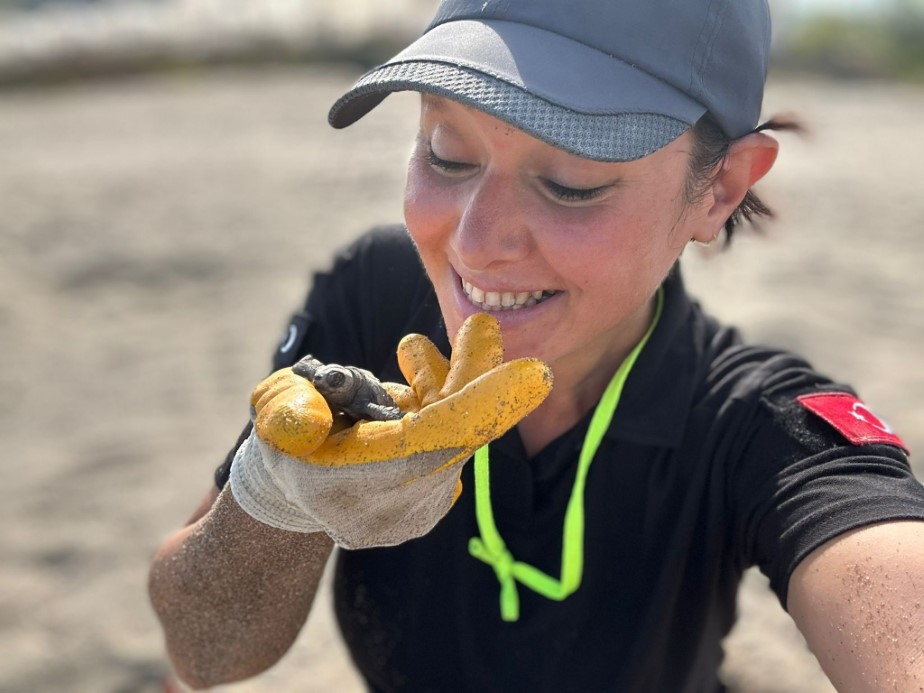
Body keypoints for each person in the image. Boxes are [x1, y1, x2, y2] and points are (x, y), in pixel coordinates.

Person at [148, 0, 924, 690]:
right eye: (446, 151)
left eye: (571, 182)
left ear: (720, 187)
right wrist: (274, 497)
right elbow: (207, 655)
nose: (475, 244)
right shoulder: (376, 297)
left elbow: (878, 558)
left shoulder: (754, 422)